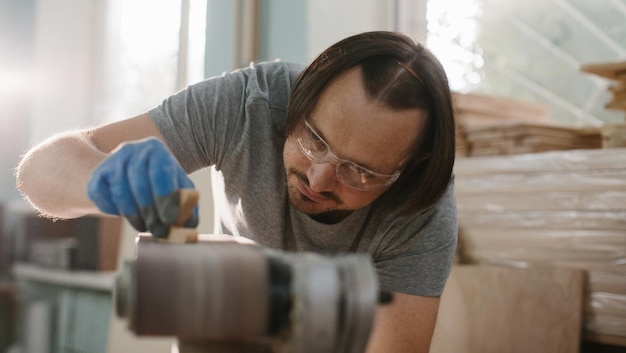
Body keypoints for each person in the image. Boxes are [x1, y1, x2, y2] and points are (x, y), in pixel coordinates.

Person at [16, 31, 457, 353]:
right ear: (299, 100)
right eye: (314, 140)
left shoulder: (425, 203)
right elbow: (38, 173)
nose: (320, 179)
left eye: (358, 171)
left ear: (406, 170)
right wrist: (102, 176)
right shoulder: (252, 101)